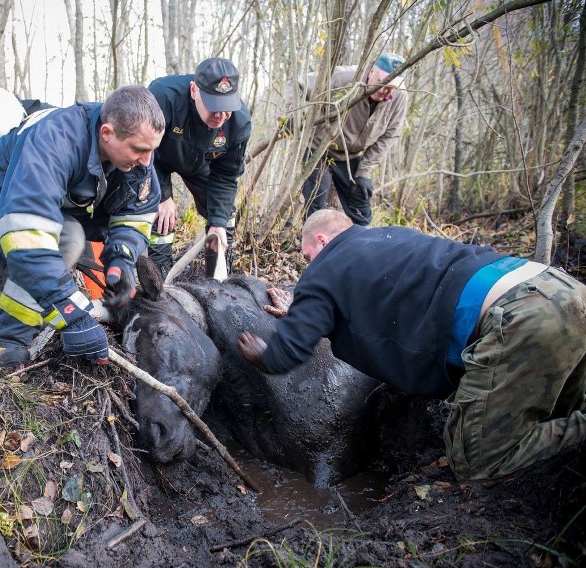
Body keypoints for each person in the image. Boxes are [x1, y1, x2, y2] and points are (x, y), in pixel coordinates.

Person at [237, 209, 586, 481]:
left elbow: (287, 352)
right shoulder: (395, 236)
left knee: (477, 458)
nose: (307, 266)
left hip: (520, 320)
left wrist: (262, 353)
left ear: (323, 241)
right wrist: (305, 307)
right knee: (560, 405)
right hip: (561, 288)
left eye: (307, 255)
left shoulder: (325, 267)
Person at [0, 85, 165, 369]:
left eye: (152, 150)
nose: (148, 161)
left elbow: (137, 213)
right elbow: (27, 238)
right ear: (107, 133)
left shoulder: (137, 148)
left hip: (62, 205)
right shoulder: (55, 139)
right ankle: (4, 340)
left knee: (66, 245)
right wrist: (73, 315)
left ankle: (26, 313)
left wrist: (121, 258)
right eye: (139, 150)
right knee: (63, 244)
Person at [146, 57, 251, 278]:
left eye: (227, 108)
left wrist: (218, 222)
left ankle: (217, 282)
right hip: (157, 160)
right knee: (161, 215)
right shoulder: (162, 97)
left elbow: (226, 174)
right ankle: (160, 282)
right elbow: (143, 152)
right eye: (214, 107)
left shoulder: (239, 122)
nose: (221, 115)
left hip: (202, 162)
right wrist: (162, 196)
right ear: (194, 91)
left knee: (224, 217)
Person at [288, 53, 408, 225]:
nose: (385, 90)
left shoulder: (399, 98)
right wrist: (295, 118)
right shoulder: (345, 78)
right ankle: (315, 249)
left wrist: (365, 170)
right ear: (371, 70)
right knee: (317, 206)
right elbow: (296, 84)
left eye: (391, 87)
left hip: (351, 155)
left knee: (361, 207)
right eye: (382, 82)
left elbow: (389, 135)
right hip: (319, 147)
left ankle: (360, 248)